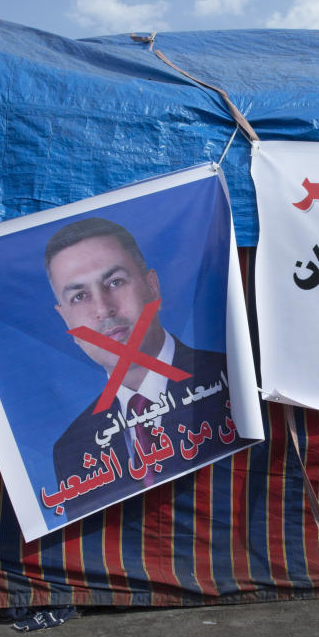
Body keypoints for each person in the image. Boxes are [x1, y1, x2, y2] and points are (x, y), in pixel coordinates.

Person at [45, 217, 246, 520]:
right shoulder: (72, 448)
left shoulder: (234, 378)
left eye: (115, 282)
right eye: (79, 296)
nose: (103, 309)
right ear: (65, 320)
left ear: (152, 285)